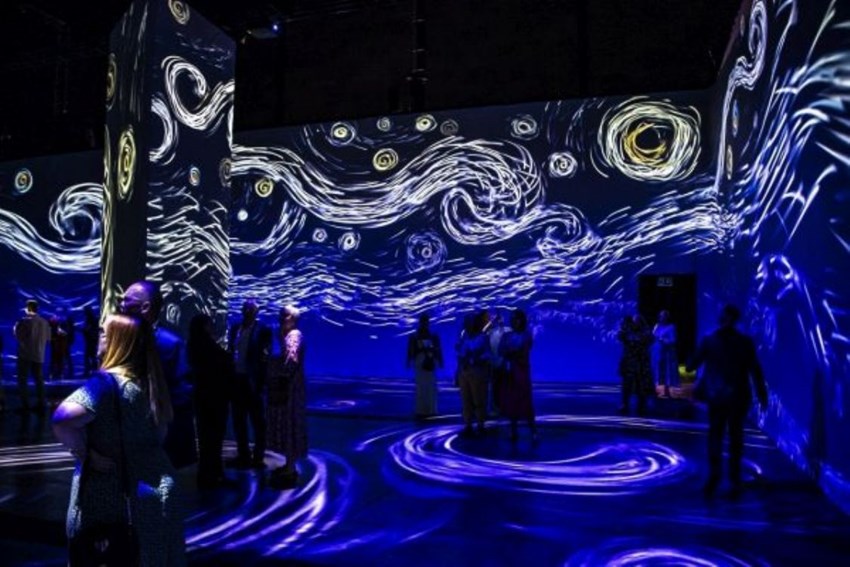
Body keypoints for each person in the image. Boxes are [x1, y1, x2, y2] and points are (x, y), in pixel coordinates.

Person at [52, 313, 185, 565]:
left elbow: (62, 419)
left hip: (114, 501)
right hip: (159, 491)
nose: (98, 336)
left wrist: (85, 452)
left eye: (104, 332)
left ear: (117, 341)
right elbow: (159, 436)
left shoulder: (105, 383)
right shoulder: (151, 382)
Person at [687, 304, 768, 498]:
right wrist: (761, 394)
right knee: (736, 437)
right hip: (738, 396)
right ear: (736, 320)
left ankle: (714, 477)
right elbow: (755, 370)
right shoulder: (745, 342)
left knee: (715, 435)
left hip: (716, 396)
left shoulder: (709, 340)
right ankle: (734, 479)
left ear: (722, 318)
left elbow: (691, 365)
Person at [121, 281, 196, 469]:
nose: (121, 305)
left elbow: (182, 395)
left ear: (145, 307)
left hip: (160, 438)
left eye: (127, 300)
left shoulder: (171, 344)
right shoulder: (121, 340)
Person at [187, 314, 233, 489]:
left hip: (202, 397)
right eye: (210, 324)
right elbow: (224, 362)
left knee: (206, 437)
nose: (212, 326)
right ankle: (212, 476)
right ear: (204, 326)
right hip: (214, 397)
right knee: (214, 437)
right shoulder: (207, 345)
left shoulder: (192, 345)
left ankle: (208, 474)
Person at [228, 300, 272, 469]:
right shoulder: (235, 328)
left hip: (253, 381)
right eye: (245, 309)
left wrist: (261, 383)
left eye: (251, 310)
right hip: (236, 380)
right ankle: (243, 455)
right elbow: (231, 350)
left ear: (256, 312)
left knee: (258, 421)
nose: (247, 312)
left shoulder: (263, 330)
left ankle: (258, 457)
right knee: (239, 420)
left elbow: (265, 358)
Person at [266, 305, 307, 489]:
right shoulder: (287, 335)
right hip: (291, 387)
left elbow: (291, 362)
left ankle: (290, 468)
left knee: (290, 424)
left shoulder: (294, 336)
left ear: (293, 318)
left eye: (285, 315)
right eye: (281, 315)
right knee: (288, 424)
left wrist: (274, 369)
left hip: (291, 388)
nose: (281, 318)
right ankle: (289, 464)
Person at [499, 309, 538, 443]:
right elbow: (501, 350)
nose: (514, 321)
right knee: (511, 401)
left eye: (517, 319)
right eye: (513, 319)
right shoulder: (507, 336)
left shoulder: (526, 335)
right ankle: (513, 431)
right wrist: (510, 353)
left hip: (521, 372)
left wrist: (510, 353)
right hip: (509, 372)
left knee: (525, 401)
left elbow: (521, 350)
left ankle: (533, 431)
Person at [456, 311, 491, 436]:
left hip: (478, 372)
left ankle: (480, 425)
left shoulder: (483, 337)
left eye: (469, 323)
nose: (467, 325)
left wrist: (475, 358)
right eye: (466, 323)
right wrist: (458, 370)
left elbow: (487, 354)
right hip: (464, 372)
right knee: (466, 400)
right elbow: (460, 355)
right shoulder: (464, 338)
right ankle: (468, 425)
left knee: (479, 399)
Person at [14, 299, 52, 411]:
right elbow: (48, 338)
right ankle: (41, 403)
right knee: (39, 380)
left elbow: (18, 336)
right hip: (39, 354)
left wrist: (16, 327)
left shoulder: (24, 321)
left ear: (28, 308)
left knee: (22, 379)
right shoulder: (44, 322)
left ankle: (25, 405)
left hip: (25, 354)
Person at [616, 314, 654, 415]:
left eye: (638, 320)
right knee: (627, 385)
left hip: (641, 363)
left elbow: (650, 340)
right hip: (629, 362)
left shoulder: (645, 331)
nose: (636, 322)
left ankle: (642, 405)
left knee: (642, 386)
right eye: (634, 320)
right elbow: (620, 336)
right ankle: (625, 404)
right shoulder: (627, 331)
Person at [406, 313, 442, 419]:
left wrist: (409, 361)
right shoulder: (425, 336)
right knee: (425, 387)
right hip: (424, 362)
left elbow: (411, 351)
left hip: (425, 362)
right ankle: (427, 410)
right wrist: (440, 361)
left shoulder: (418, 336)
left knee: (425, 387)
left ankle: (424, 410)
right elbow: (437, 350)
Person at [653, 310, 679, 397]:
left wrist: (663, 340)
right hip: (657, 352)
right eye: (661, 316)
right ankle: (655, 390)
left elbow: (673, 340)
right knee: (657, 370)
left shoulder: (671, 327)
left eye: (664, 316)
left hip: (667, 353)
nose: (662, 318)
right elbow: (653, 336)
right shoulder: (657, 326)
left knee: (667, 371)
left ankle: (666, 391)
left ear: (667, 317)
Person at [82, 306, 99, 377]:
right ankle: (92, 371)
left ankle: (90, 371)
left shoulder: (91, 320)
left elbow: (92, 330)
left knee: (90, 356)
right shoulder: (91, 319)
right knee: (91, 356)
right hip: (91, 340)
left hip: (91, 341)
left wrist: (86, 331)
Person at [63, 312, 77, 379]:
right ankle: (69, 370)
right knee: (67, 357)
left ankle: (69, 371)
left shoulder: (69, 328)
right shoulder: (70, 328)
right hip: (67, 343)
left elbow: (67, 335)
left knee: (67, 357)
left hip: (66, 343)